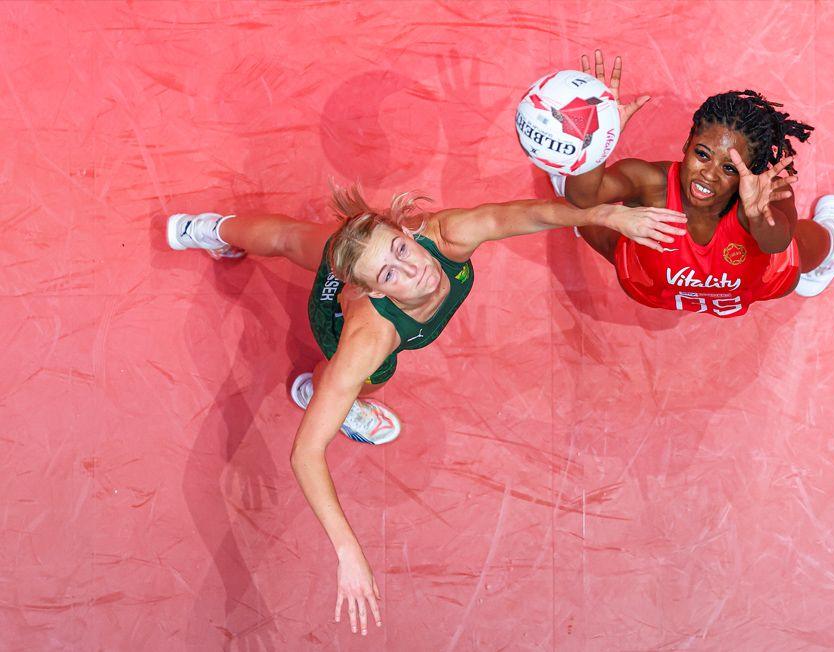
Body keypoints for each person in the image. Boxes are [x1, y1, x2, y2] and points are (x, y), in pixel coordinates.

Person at [165, 187, 686, 635]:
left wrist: (602, 215)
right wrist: (347, 552)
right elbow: (306, 452)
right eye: (389, 273)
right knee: (366, 380)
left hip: (346, 258)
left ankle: (204, 227)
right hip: (341, 326)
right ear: (371, 289)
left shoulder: (450, 236)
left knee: (295, 240)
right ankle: (312, 385)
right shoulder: (370, 336)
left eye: (400, 248)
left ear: (410, 233)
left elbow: (532, 214)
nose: (412, 269)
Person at [555, 51, 834, 318]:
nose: (708, 175)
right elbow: (583, 198)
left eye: (729, 168)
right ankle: (582, 176)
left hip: (750, 283)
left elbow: (774, 243)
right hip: (654, 282)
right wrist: (590, 146)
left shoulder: (766, 190)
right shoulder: (650, 184)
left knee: (804, 248)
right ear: (687, 144)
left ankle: (832, 241)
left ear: (749, 171)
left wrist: (757, 215)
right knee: (589, 210)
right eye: (702, 154)